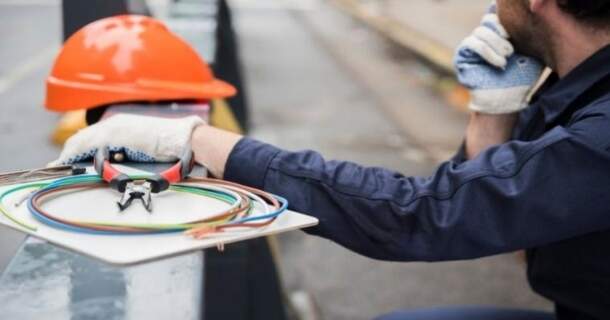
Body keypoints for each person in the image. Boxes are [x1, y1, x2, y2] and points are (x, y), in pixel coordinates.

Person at [51, 0, 610, 319]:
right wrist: (493, 110)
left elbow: (419, 215)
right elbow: (493, 217)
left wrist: (198, 140)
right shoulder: (576, 89)